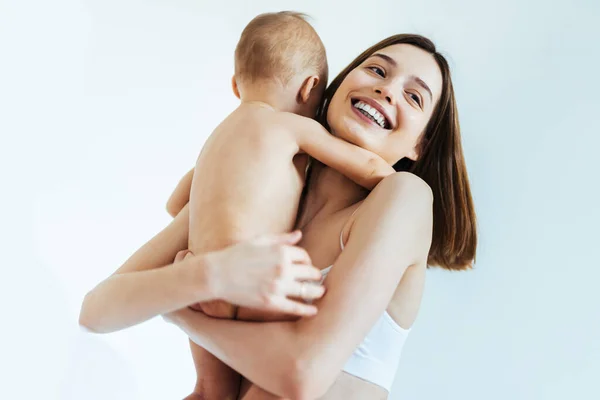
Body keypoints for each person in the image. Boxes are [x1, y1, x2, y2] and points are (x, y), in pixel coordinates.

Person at [81, 32, 477, 399]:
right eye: (377, 70)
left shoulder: (405, 197)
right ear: (332, 86)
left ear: (420, 146)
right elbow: (96, 311)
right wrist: (210, 274)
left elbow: (303, 375)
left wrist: (181, 312)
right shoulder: (248, 195)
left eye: (414, 97)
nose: (386, 89)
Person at [179, 11, 396, 399]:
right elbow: (367, 167)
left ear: (235, 84)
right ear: (309, 88)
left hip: (200, 280)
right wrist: (391, 183)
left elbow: (176, 203)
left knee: (210, 391)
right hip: (253, 282)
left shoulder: (213, 141)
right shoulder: (292, 127)